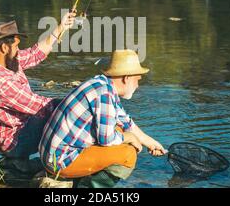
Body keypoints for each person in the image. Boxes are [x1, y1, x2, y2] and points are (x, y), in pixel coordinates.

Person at [39, 49, 166, 187]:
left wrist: (151, 143)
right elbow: (107, 140)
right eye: (137, 80)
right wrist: (129, 138)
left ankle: (81, 177)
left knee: (118, 129)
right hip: (59, 161)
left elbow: (126, 122)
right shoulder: (104, 94)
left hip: (52, 154)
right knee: (128, 154)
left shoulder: (102, 84)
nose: (138, 85)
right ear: (126, 78)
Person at [0, 10, 76, 173]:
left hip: (16, 130)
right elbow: (41, 106)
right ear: (4, 47)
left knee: (64, 110)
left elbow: (35, 53)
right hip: (12, 142)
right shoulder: (0, 81)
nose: (19, 50)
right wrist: (77, 103)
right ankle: (62, 164)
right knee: (63, 113)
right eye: (16, 46)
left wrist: (61, 27)